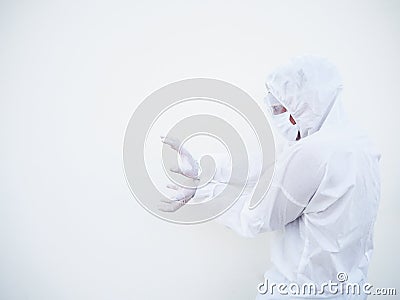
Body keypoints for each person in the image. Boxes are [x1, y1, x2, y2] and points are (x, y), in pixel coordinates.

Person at [161, 55, 381, 299]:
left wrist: (202, 193)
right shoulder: (359, 143)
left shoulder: (312, 152)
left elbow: (256, 216)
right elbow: (275, 162)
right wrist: (208, 168)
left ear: (307, 102)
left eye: (283, 108)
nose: (282, 118)